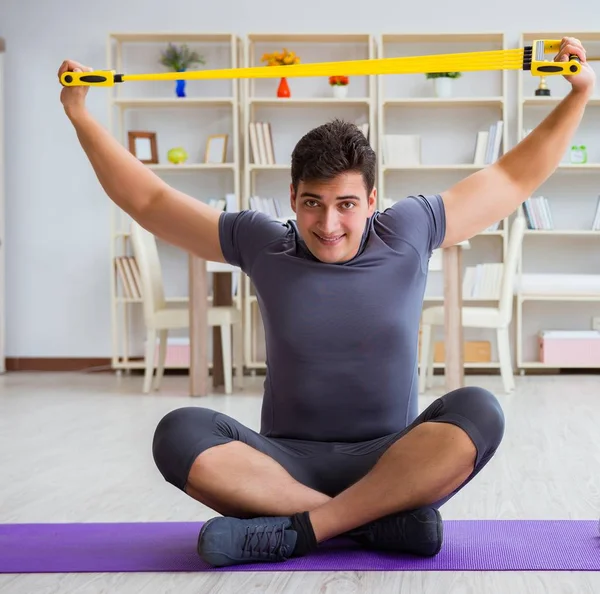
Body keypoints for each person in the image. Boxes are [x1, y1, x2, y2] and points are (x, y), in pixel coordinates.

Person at [58, 36, 595, 568]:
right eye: (313, 203)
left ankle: (298, 532)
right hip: (283, 468)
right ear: (292, 197)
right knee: (177, 431)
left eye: (346, 204)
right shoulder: (262, 240)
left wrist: (577, 93)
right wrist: (81, 114)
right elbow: (149, 200)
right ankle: (371, 525)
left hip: (393, 460)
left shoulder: (411, 228)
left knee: (480, 410)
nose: (329, 224)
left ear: (371, 201)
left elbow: (512, 176)